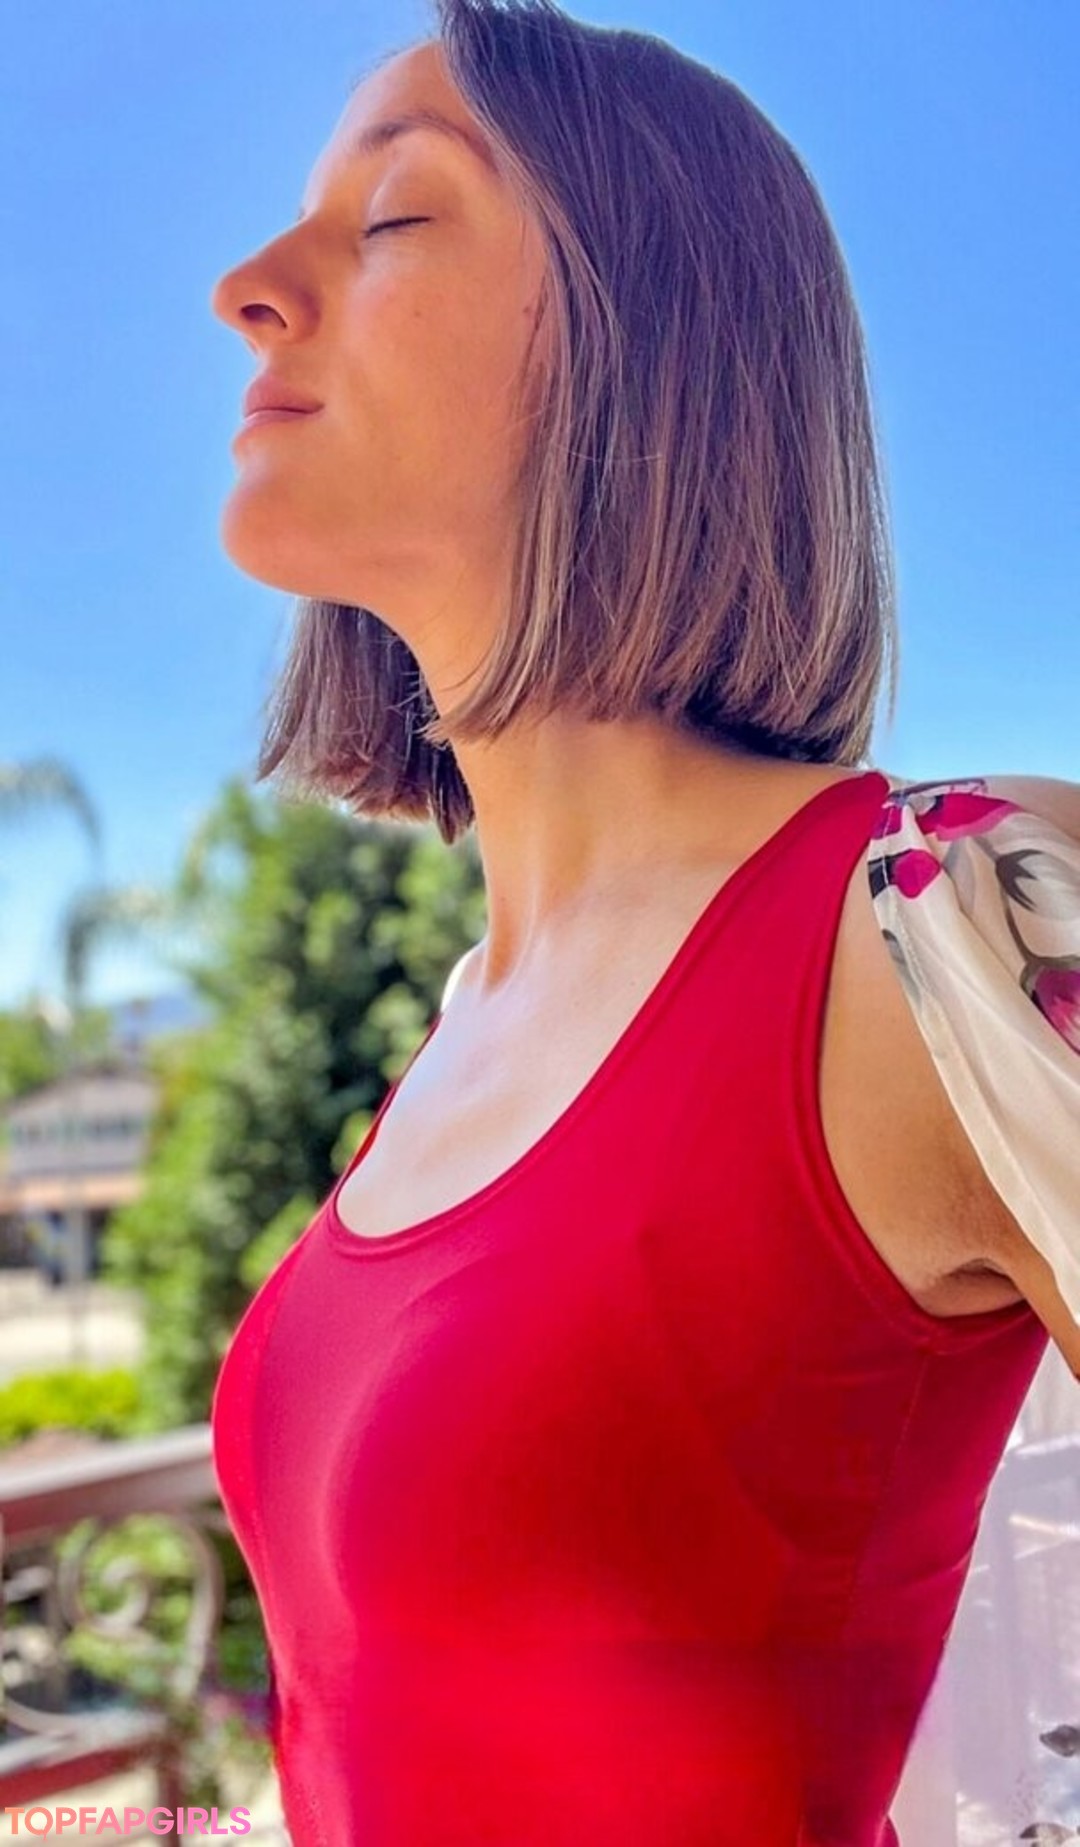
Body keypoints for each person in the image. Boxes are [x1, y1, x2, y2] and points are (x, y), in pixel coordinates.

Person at [208, 3, 1080, 1841]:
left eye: (393, 217)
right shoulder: (458, 1033)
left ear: (650, 341)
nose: (247, 289)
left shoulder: (948, 916)